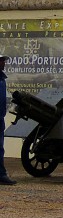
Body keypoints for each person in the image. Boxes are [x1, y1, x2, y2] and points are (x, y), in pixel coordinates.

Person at [0, 55, 15, 184]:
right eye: (1, 61)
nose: (3, 63)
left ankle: (1, 174)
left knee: (0, 147)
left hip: (0, 118)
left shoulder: (2, 79)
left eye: (3, 61)